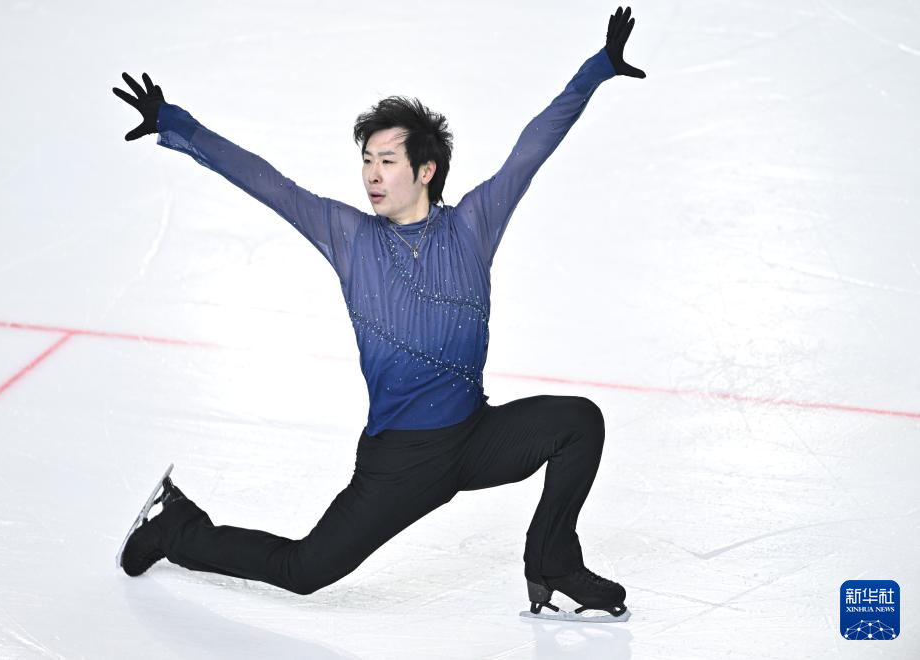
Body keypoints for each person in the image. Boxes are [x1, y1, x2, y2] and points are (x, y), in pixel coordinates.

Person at [112, 6, 645, 620]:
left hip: (474, 436)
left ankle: (553, 560)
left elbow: (533, 146)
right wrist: (175, 123)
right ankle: (175, 526)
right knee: (304, 570)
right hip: (402, 461)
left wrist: (598, 68)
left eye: (387, 161)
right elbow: (268, 183)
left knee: (579, 422)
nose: (371, 175)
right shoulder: (350, 238)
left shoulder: (472, 227)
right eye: (367, 160)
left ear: (426, 170)